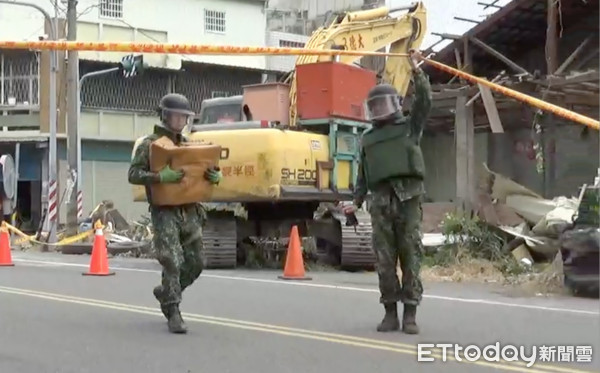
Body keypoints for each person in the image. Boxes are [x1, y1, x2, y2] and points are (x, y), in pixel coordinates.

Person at [344, 50, 432, 334]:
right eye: (376, 105)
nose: (380, 110)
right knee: (384, 261)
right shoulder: (367, 139)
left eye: (385, 104)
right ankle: (389, 312)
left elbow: (424, 101)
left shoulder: (409, 127)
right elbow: (363, 175)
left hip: (407, 201)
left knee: (411, 257)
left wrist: (416, 70)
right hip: (380, 203)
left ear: (395, 104)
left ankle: (410, 314)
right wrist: (355, 202)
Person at [128, 93, 223, 334]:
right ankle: (173, 310)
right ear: (165, 115)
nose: (180, 120)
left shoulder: (189, 145)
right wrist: (160, 177)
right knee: (171, 259)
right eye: (176, 115)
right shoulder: (150, 144)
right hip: (165, 212)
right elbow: (133, 174)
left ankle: (166, 293)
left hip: (190, 210)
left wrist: (215, 177)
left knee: (197, 262)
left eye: (184, 116)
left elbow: (203, 171)